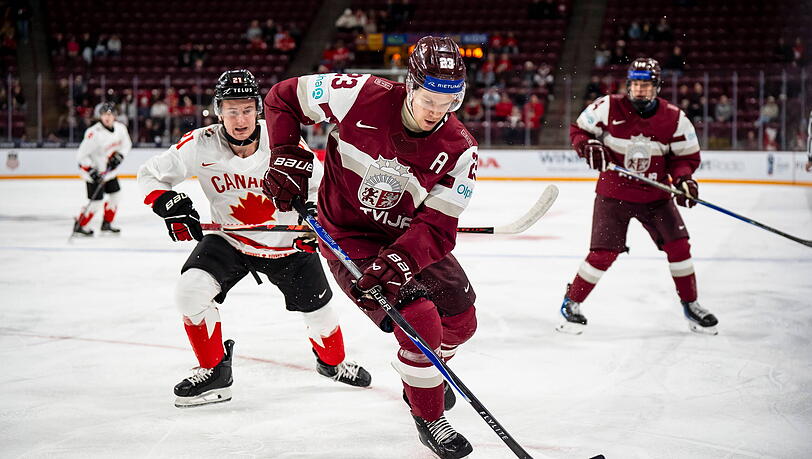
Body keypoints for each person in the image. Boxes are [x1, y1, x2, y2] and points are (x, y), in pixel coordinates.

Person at [261, 36, 478, 458]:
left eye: (449, 101)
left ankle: (422, 373)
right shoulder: (359, 93)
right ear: (411, 85)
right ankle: (429, 416)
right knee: (420, 321)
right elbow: (282, 98)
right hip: (347, 234)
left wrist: (401, 257)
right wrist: (285, 150)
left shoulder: (461, 149)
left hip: (405, 237)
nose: (437, 111)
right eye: (429, 98)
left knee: (462, 321)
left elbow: (436, 225)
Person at [136, 69, 371, 408]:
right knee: (189, 292)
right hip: (230, 240)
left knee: (320, 313)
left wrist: (315, 223)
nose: (240, 118)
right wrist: (165, 202)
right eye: (231, 109)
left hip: (287, 245)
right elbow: (150, 175)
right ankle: (215, 371)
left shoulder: (285, 144)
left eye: (247, 109)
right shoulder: (201, 144)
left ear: (259, 109)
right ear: (218, 111)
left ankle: (332, 365)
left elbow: (322, 189)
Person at [558, 57, 719, 336]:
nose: (639, 90)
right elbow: (578, 131)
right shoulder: (608, 106)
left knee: (679, 247)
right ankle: (571, 303)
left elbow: (685, 157)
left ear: (656, 87)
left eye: (645, 85)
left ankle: (691, 304)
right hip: (613, 194)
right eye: (635, 84)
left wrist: (683, 179)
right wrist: (587, 146)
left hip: (655, 196)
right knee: (603, 253)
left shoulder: (674, 118)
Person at [72, 102, 131, 236]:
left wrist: (120, 156)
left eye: (110, 114)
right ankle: (80, 225)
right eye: (104, 114)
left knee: (116, 196)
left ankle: (107, 224)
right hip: (94, 173)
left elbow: (127, 144)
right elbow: (81, 155)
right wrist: (91, 170)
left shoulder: (120, 129)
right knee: (96, 202)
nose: (107, 117)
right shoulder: (93, 133)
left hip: (109, 172)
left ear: (114, 116)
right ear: (100, 116)